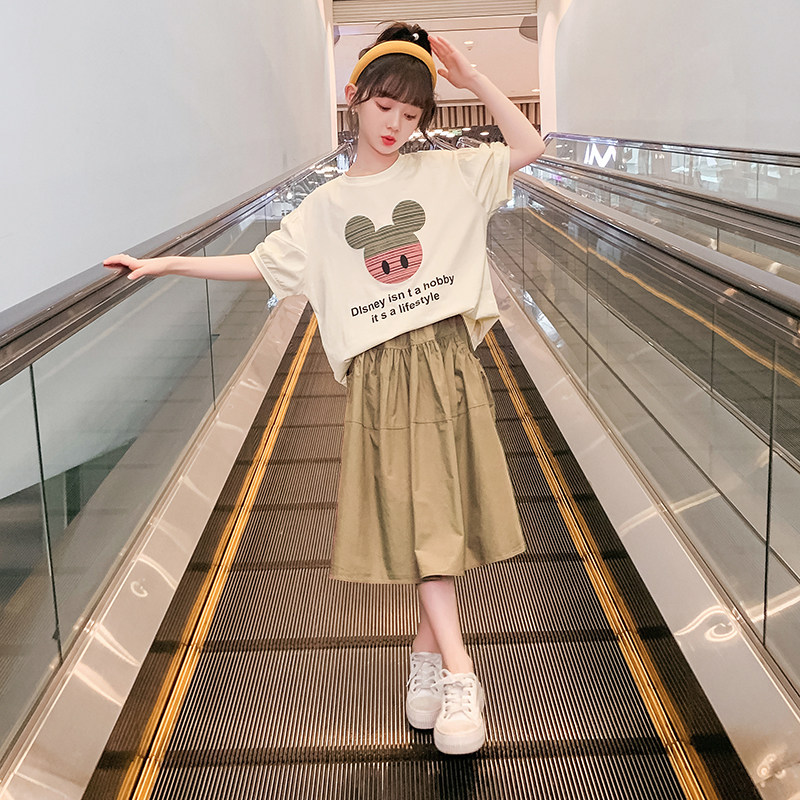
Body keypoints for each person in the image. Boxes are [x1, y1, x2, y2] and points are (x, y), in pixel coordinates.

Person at [105, 22, 545, 755]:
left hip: (446, 363)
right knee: (426, 524)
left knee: (435, 522)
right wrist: (167, 265)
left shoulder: (448, 174)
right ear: (355, 97)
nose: (395, 126)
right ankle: (460, 672)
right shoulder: (325, 209)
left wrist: (473, 79)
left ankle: (430, 664)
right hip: (382, 377)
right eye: (384, 107)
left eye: (411, 115)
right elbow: (260, 265)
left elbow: (528, 147)